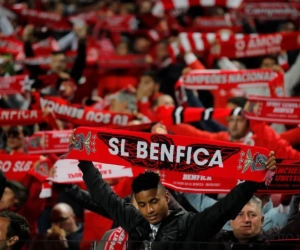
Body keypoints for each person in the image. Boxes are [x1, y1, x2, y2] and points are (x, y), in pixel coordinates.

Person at [71, 129, 276, 250]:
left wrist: (254, 179)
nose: (149, 210)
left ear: (166, 196)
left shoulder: (190, 225)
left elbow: (225, 208)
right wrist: (84, 159)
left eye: (153, 202)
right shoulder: (134, 220)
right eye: (142, 205)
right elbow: (103, 194)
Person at [209, 196, 300, 250]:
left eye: (252, 215)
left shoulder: (273, 238)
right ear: (230, 220)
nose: (246, 219)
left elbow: (295, 227)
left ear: (262, 220)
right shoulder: (215, 240)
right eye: (240, 214)